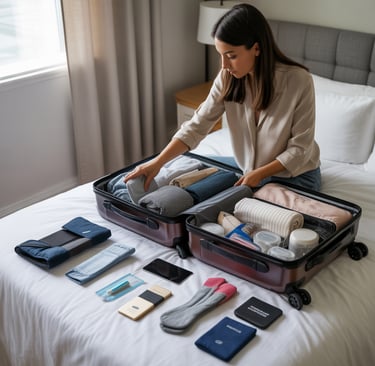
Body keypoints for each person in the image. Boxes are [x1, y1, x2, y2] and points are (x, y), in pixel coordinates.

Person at [125, 3, 321, 192]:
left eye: (231, 56)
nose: (224, 65)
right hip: (249, 170)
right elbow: (197, 126)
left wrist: (259, 174)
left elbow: (300, 150)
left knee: (251, 208)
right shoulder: (227, 78)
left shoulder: (298, 81)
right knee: (192, 169)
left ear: (257, 48)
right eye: (220, 55)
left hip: (295, 176)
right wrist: (157, 162)